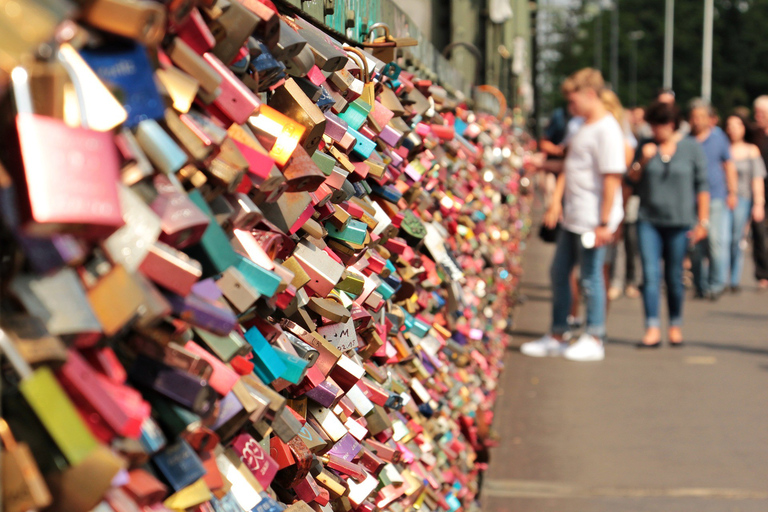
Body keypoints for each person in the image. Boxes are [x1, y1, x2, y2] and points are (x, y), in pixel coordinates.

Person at [521, 68, 625, 361]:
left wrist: (605, 223)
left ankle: (595, 336)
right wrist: (555, 201)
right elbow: (570, 165)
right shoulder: (579, 124)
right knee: (559, 273)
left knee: (590, 278)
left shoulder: (608, 130)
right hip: (574, 214)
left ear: (590, 94)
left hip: (594, 219)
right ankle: (558, 333)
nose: (570, 108)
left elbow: (612, 179)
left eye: (573, 100)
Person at [627, 101, 710, 347]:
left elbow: (702, 186)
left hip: (679, 221)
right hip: (648, 220)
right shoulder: (646, 145)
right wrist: (642, 159)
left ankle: (675, 324)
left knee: (674, 276)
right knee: (650, 275)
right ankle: (652, 327)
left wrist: (703, 221)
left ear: (670, 125)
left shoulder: (691, 148)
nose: (654, 131)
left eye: (658, 126)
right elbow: (630, 179)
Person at [689, 99, 738, 300]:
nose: (698, 120)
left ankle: (716, 284)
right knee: (695, 246)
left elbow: (729, 165)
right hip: (691, 200)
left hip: (716, 197)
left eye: (702, 116)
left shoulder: (719, 139)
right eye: (694, 116)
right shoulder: (686, 141)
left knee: (716, 242)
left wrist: (732, 192)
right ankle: (700, 284)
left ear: (709, 119)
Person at [725, 113, 766, 292]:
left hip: (743, 199)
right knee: (721, 239)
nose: (733, 129)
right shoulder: (723, 148)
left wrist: (758, 203)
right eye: (730, 125)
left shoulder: (751, 150)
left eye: (737, 125)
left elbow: (757, 179)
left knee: (736, 238)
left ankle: (733, 279)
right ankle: (720, 276)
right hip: (723, 198)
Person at [750, 96, 768, 289]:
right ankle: (762, 273)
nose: (758, 116)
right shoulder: (753, 134)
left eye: (762, 113)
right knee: (759, 232)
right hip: (757, 189)